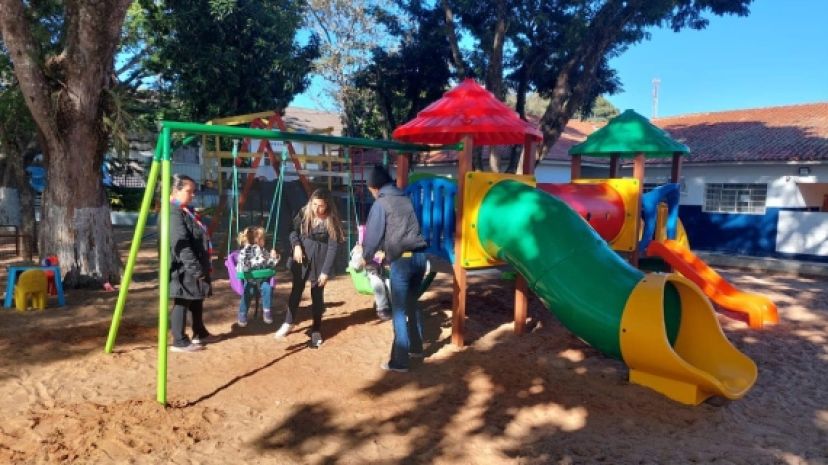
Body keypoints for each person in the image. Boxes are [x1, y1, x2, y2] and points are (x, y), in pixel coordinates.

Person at [355, 164, 428, 372]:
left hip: (403, 262)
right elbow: (405, 231)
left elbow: (373, 235)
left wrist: (365, 257)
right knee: (413, 303)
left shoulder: (381, 203)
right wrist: (386, 253)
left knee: (398, 311)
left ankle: (400, 361)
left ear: (374, 187)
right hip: (420, 256)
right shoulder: (404, 198)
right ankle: (416, 347)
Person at [274, 188, 344, 348]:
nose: (317, 209)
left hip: (321, 258)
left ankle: (316, 330)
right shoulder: (304, 213)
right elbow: (292, 231)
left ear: (327, 204)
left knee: (317, 294)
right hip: (302, 256)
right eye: (314, 204)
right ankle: (288, 323)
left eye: (321, 206)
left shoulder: (331, 219)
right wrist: (296, 246)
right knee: (296, 290)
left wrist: (326, 271)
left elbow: (333, 246)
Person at [169, 174, 217, 352]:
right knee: (183, 300)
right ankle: (179, 341)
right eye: (189, 191)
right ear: (176, 191)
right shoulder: (173, 213)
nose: (193, 195)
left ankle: (199, 332)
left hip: (193, 264)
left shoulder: (184, 210)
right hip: (183, 267)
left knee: (196, 297)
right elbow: (180, 243)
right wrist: (195, 267)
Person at [236, 226, 280, 327]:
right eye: (263, 238)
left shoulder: (263, 251)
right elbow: (243, 265)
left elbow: (269, 264)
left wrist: (274, 258)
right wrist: (250, 265)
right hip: (251, 280)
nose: (264, 240)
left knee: (267, 288)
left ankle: (267, 311)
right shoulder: (246, 251)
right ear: (256, 240)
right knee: (248, 292)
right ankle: (242, 314)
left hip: (263, 280)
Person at [349, 244, 391, 321]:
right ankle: (382, 308)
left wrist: (385, 259)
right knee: (378, 283)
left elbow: (386, 262)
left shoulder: (381, 246)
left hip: (380, 272)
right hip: (367, 273)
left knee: (390, 284)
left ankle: (395, 307)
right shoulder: (359, 249)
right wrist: (375, 258)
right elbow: (357, 266)